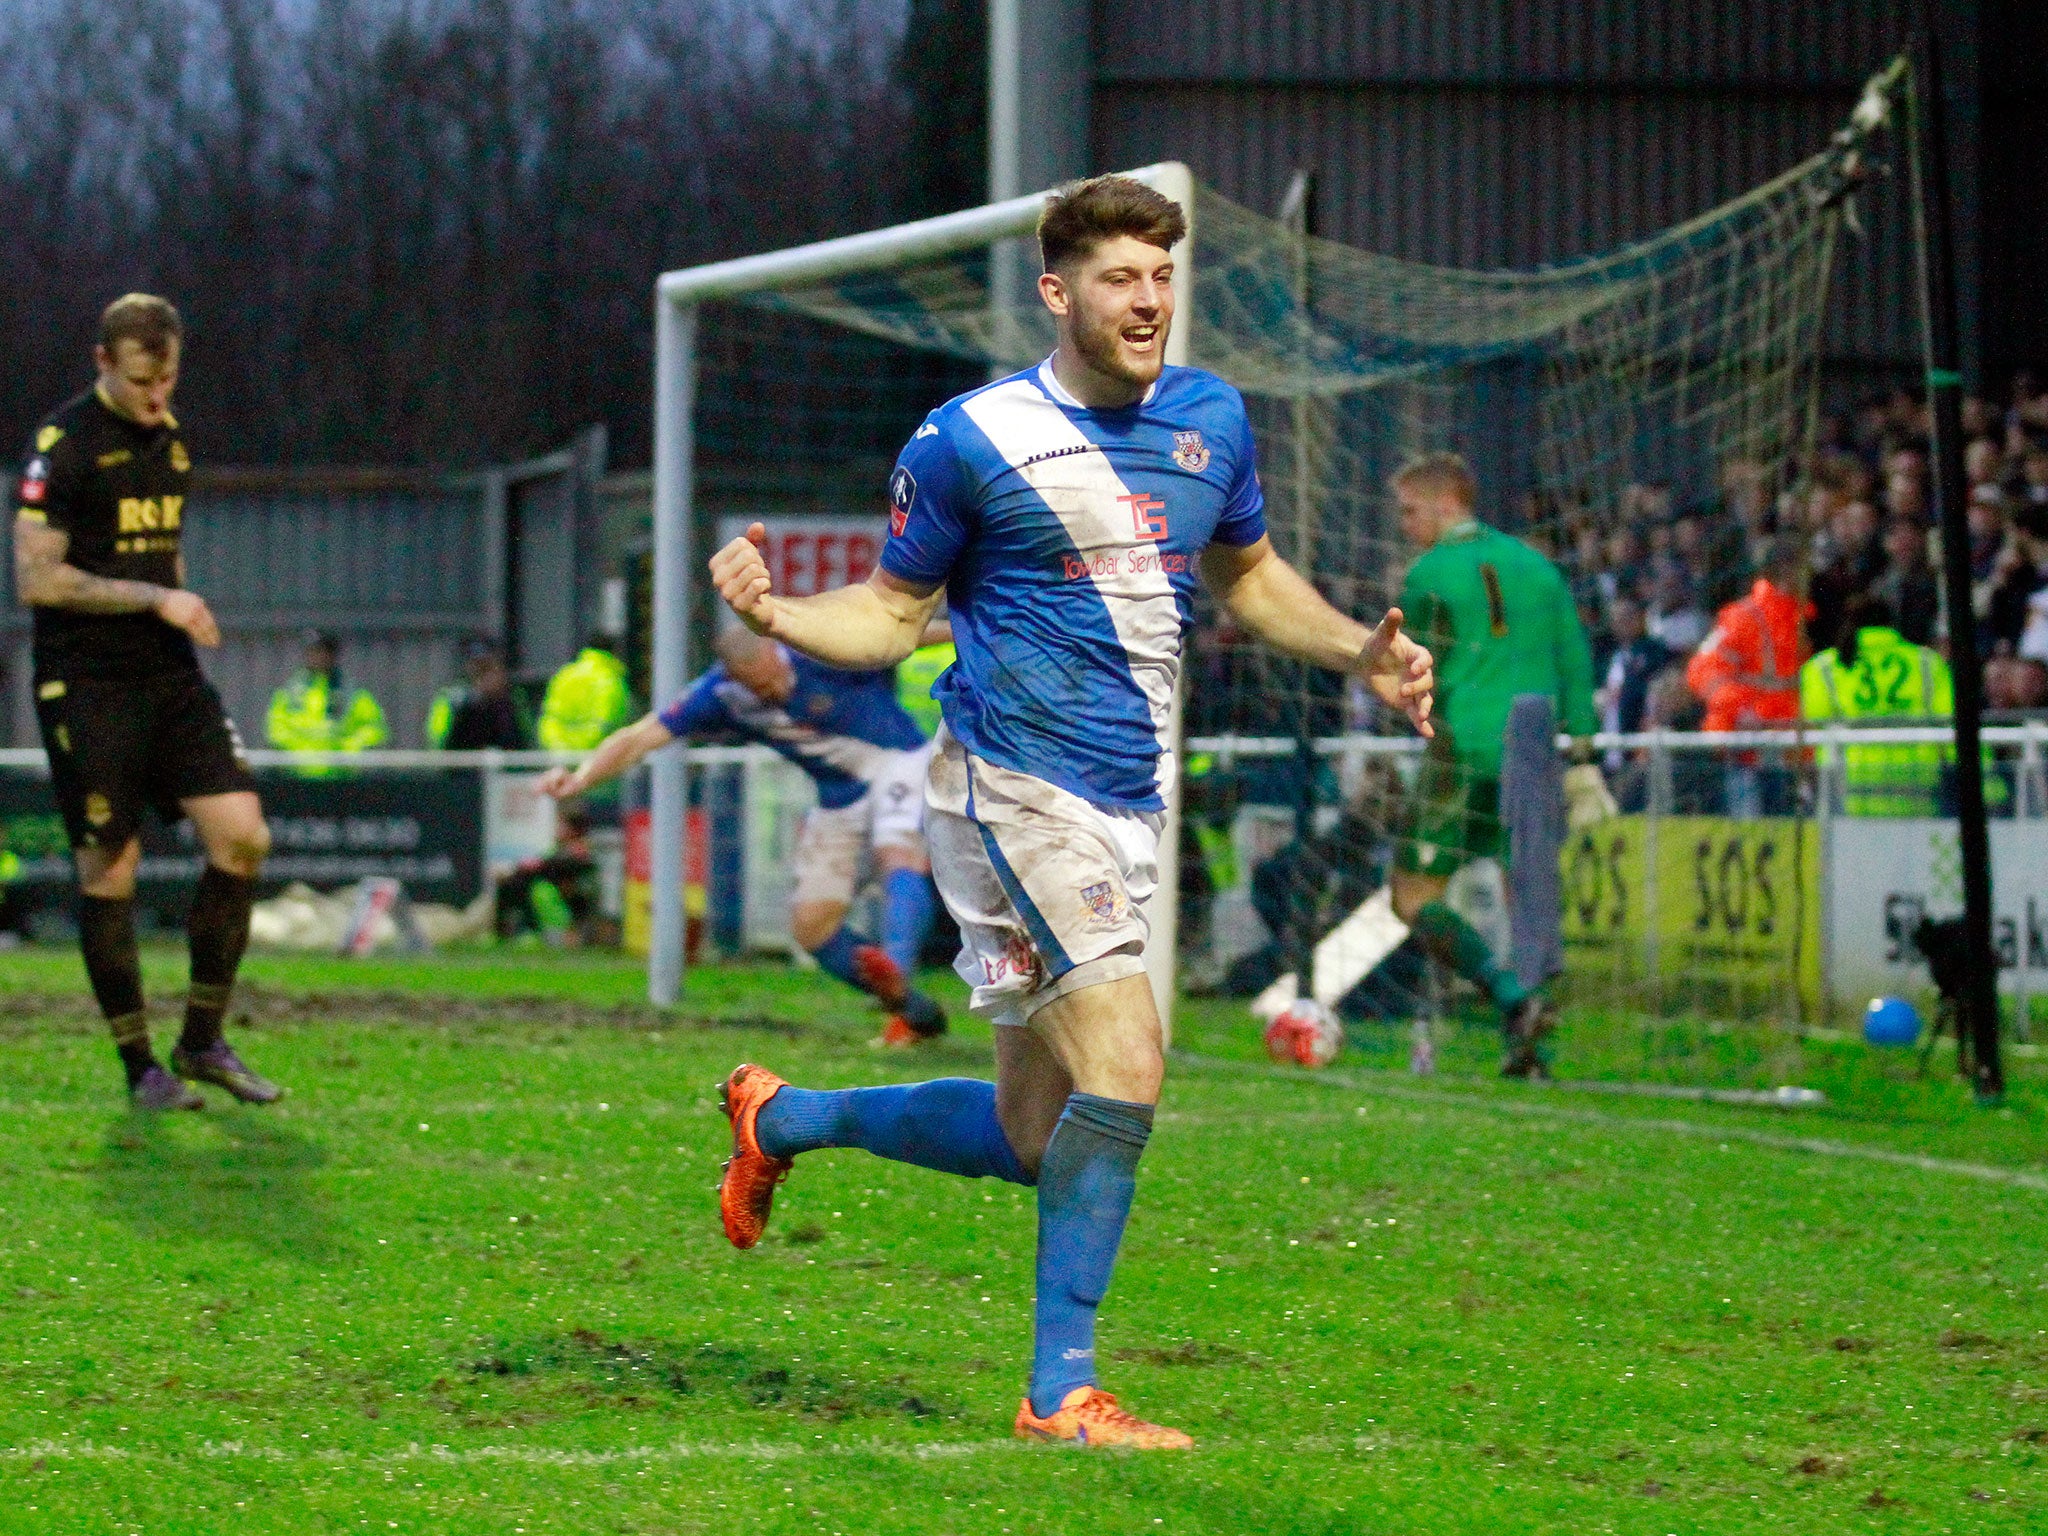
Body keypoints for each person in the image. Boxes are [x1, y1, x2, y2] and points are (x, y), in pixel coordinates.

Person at [701, 175, 1435, 1450]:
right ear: (1056, 291)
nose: (1147, 302)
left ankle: (788, 1115)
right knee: (1129, 1063)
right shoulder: (967, 439)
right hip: (1005, 792)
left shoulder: (1211, 418)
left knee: (1035, 1136)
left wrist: (1354, 655)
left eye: (1161, 279)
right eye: (1118, 279)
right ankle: (1061, 1393)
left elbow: (1249, 578)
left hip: (1123, 805)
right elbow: (882, 615)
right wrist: (776, 618)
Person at [12, 293, 278, 1109]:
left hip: (168, 676)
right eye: (140, 381)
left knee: (242, 838)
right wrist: (152, 599)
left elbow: (164, 550)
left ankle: (201, 1041)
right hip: (87, 681)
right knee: (112, 868)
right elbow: (38, 578)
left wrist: (180, 601)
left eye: (167, 378)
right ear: (103, 363)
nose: (157, 396)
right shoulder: (63, 448)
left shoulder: (174, 439)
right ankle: (141, 1070)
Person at [536, 627, 948, 1044]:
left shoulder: (819, 648)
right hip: (839, 798)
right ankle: (911, 1009)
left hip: (901, 761)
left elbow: (897, 634)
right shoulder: (719, 696)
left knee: (898, 852)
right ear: (734, 678)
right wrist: (580, 778)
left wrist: (969, 624)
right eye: (761, 686)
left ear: (777, 652)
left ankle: (896, 969)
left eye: (775, 677)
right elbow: (640, 737)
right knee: (811, 929)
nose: (775, 690)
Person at [1387, 452, 1606, 1077]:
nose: (1405, 525)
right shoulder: (1538, 567)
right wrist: (1585, 751)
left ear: (1445, 502)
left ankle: (1508, 997)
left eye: (1409, 511)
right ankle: (1530, 1050)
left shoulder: (1429, 573)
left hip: (1462, 745)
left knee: (1410, 896)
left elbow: (1410, 664)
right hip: (1534, 744)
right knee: (1528, 899)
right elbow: (1575, 655)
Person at [1686, 535, 1810, 817]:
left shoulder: (1810, 617)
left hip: (1800, 752)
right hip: (1752, 753)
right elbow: (1703, 669)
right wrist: (1741, 709)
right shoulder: (1744, 617)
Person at [1800, 594, 1952, 817]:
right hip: (1917, 790)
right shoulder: (1928, 662)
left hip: (1849, 792)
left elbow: (1814, 724)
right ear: (1891, 623)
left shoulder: (1822, 668)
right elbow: (1950, 727)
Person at [266, 631, 388, 763]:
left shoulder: (352, 692)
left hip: (341, 775)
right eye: (314, 651)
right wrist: (297, 752)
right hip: (297, 775)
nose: (319, 657)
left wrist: (350, 749)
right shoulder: (291, 692)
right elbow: (275, 727)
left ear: (333, 655)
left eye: (324, 652)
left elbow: (375, 728)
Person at [427, 638, 532, 750]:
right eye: (477, 667)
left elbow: (528, 736)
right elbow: (437, 740)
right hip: (462, 763)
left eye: (487, 667)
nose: (483, 674)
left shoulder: (513, 696)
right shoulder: (451, 698)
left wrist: (501, 698)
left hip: (506, 762)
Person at [536, 635, 633, 752]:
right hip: (598, 756)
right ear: (615, 652)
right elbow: (610, 723)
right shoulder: (611, 679)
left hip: (558, 753)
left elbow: (549, 717)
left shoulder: (565, 674)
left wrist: (559, 750)